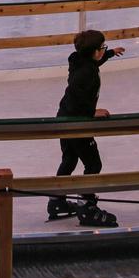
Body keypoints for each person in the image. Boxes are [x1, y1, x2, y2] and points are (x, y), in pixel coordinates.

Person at [46, 29, 126, 227]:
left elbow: (93, 62)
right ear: (95, 51)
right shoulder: (86, 72)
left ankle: (57, 201)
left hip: (63, 119)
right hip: (77, 122)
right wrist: (92, 112)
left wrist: (110, 53)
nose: (103, 51)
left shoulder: (80, 60)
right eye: (102, 48)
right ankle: (86, 206)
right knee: (93, 163)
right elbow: (77, 93)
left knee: (69, 159)